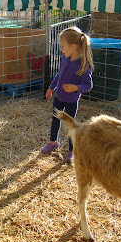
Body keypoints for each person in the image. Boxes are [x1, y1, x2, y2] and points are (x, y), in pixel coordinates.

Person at [41, 27, 94, 162]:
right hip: (59, 96)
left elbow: (88, 85)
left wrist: (76, 88)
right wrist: (50, 88)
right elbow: (59, 75)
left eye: (63, 46)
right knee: (55, 121)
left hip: (71, 100)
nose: (61, 49)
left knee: (71, 126)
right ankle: (53, 142)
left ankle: (72, 151)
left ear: (73, 46)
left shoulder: (83, 65)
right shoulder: (65, 59)